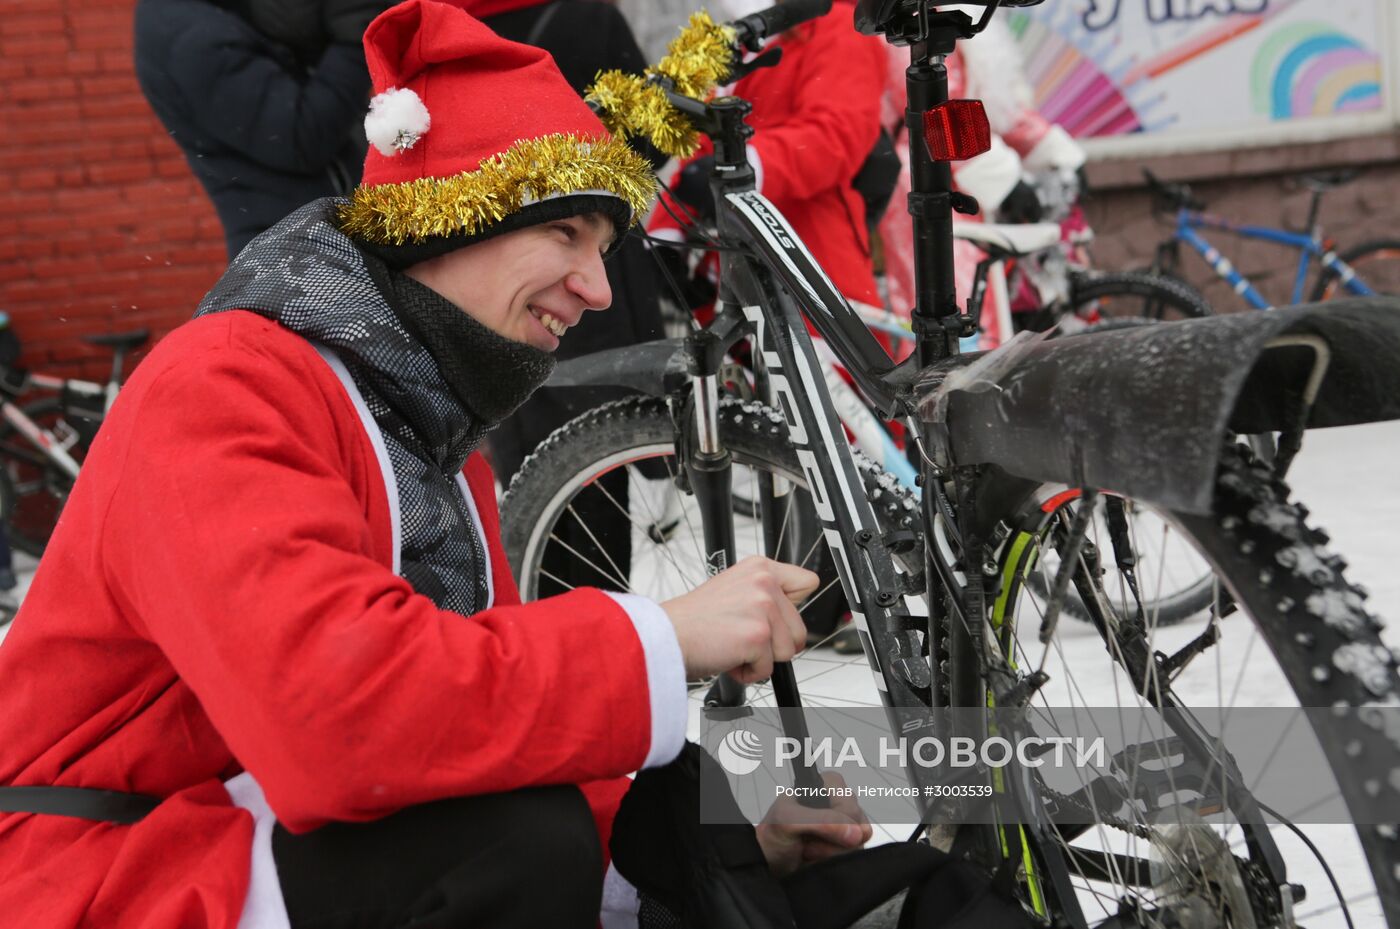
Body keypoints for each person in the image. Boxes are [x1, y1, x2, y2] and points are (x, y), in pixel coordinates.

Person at [0, 3, 869, 927]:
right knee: (515, 846)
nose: (599, 287)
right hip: (103, 870)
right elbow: (334, 722)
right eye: (567, 232)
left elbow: (476, 732)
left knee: (590, 826)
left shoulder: (430, 432)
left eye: (607, 248)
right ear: (448, 218)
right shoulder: (224, 383)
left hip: (253, 835)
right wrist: (657, 634)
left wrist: (710, 845)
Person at [133, 0, 394, 259]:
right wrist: (355, 38)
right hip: (295, 255)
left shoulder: (207, 14)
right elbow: (299, 137)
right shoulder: (188, 35)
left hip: (314, 234)